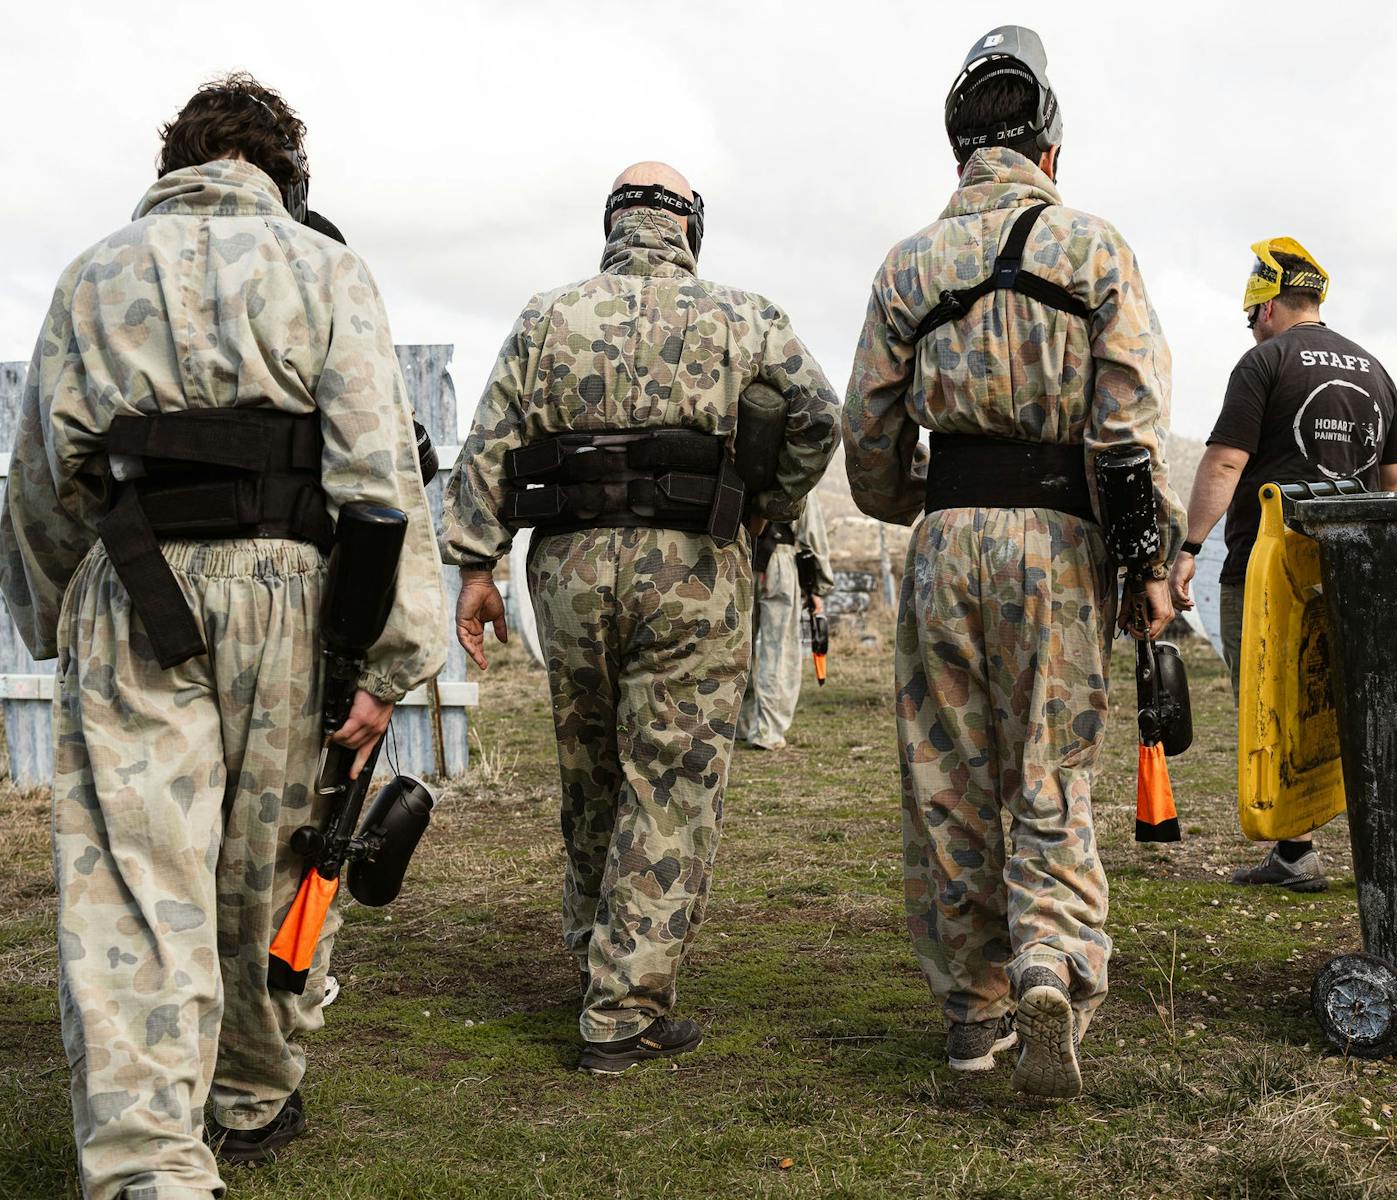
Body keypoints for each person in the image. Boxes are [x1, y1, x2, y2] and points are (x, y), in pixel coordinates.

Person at [0, 74, 446, 1198]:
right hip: (295, 592)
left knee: (135, 882)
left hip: (138, 592)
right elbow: (379, 475)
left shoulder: (92, 276)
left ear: (174, 165)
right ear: (285, 173)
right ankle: (250, 1095)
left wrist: (52, 610)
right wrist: (389, 666)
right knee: (277, 857)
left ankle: (153, 1163)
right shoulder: (326, 268)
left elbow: (46, 480)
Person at [844, 27, 1184, 1098]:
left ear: (956, 148)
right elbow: (1127, 429)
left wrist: (930, 505)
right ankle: (1051, 959)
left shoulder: (907, 265)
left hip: (947, 541)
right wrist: (1143, 568)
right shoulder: (1091, 249)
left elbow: (870, 447)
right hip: (1061, 539)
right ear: (1049, 144)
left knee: (949, 781)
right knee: (1050, 764)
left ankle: (974, 1021)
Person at [445, 161, 840, 1075]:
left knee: (590, 768)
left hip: (571, 571)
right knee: (671, 776)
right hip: (695, 570)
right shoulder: (746, 315)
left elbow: (490, 441)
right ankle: (623, 1006)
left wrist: (476, 565)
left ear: (613, 224)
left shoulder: (547, 318)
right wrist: (766, 511)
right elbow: (819, 418)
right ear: (688, 227)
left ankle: (595, 955)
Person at [1168, 238, 1397, 893]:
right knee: (1340, 704)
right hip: (1350, 567)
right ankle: (1341, 849)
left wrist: (1189, 547)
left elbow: (1224, 462)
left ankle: (1295, 851)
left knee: (1274, 703)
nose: (1251, 328)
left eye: (1251, 317)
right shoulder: (1374, 371)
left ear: (1269, 305)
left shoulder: (1265, 363)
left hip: (1271, 569)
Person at [737, 496, 834, 751]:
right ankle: (767, 731)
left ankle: (740, 724)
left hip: (739, 558)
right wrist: (817, 587)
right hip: (779, 560)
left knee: (739, 643)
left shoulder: (741, 466)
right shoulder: (793, 471)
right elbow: (811, 534)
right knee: (778, 648)